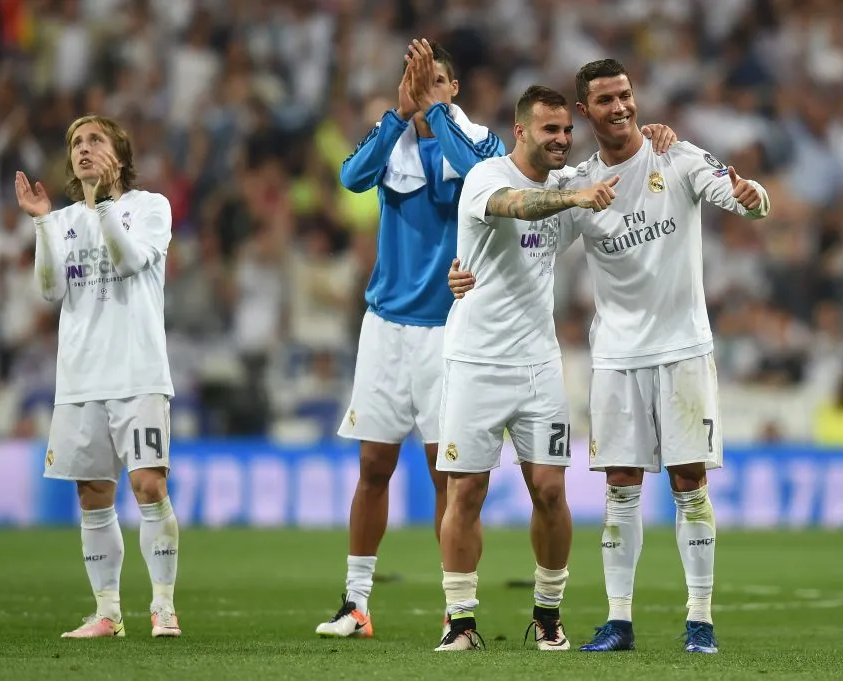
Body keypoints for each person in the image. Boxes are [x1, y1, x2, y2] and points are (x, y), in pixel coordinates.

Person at [449, 59, 771, 654]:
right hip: (617, 356)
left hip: (683, 350)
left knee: (689, 483)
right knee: (620, 486)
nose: (620, 107)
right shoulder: (579, 187)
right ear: (584, 111)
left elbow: (745, 197)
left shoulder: (677, 157)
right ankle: (618, 622)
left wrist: (753, 199)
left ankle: (700, 620)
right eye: (605, 101)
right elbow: (528, 244)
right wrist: (465, 273)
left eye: (626, 95)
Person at [433, 84, 677, 652]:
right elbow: (516, 207)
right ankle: (460, 621)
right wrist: (572, 199)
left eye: (567, 130)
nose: (563, 140)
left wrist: (659, 140)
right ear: (521, 132)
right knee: (466, 492)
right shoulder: (487, 176)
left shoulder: (574, 185)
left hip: (540, 363)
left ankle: (547, 614)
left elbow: (630, 178)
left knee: (549, 490)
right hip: (475, 360)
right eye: (551, 130)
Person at [316, 39, 506, 639]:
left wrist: (436, 112)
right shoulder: (390, 135)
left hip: (450, 331)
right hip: (384, 327)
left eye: (437, 80)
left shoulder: (482, 145)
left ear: (454, 89)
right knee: (373, 465)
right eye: (415, 78)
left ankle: (457, 610)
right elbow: (350, 178)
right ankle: (355, 605)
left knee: (444, 474)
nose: (424, 87)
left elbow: (478, 174)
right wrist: (400, 113)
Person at [16, 114, 180, 639]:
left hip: (138, 371)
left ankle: (163, 607)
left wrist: (103, 204)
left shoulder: (150, 207)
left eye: (94, 140)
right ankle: (107, 613)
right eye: (75, 143)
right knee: (93, 495)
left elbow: (130, 263)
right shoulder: (63, 221)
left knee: (149, 485)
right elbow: (49, 290)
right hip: (81, 377)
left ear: (119, 153)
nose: (83, 149)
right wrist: (42, 220)